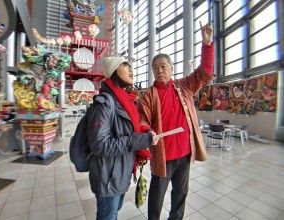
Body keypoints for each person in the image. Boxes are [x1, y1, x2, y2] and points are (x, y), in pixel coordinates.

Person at [137, 23, 214, 220]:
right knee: (157, 196)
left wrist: (207, 44)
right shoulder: (149, 95)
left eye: (163, 66)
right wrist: (149, 131)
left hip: (184, 154)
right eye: (155, 68)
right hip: (163, 155)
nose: (159, 70)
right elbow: (142, 119)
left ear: (171, 68)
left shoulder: (184, 86)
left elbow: (204, 72)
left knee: (180, 194)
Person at [87, 56, 159, 220]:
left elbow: (130, 126)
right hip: (109, 175)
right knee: (108, 216)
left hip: (122, 170)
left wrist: (145, 129)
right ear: (113, 71)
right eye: (126, 66)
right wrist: (142, 140)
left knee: (114, 210)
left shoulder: (125, 100)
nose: (131, 70)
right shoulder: (105, 104)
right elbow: (99, 145)